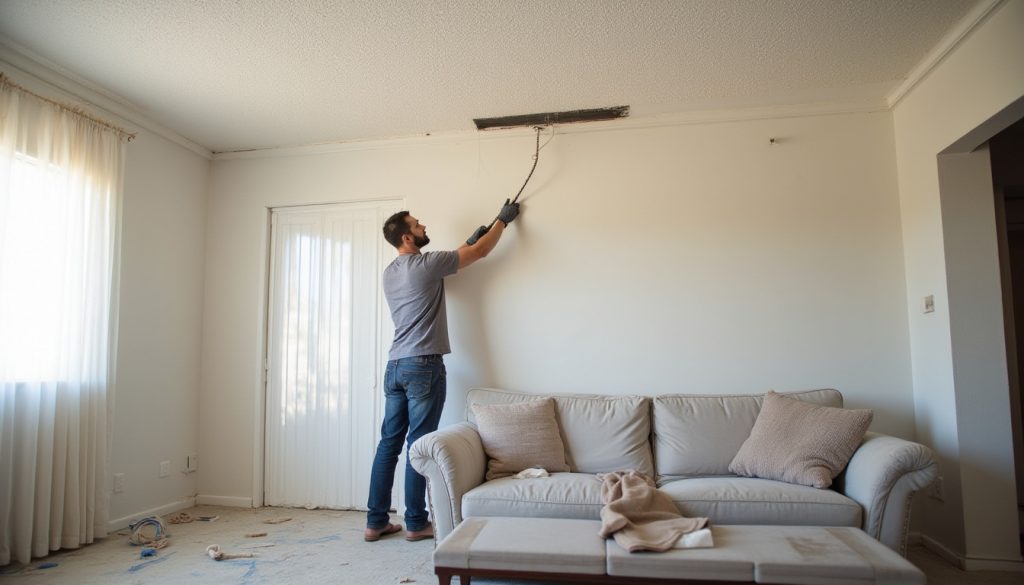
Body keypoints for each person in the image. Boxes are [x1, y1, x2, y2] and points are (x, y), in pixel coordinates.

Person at [364, 199, 521, 542]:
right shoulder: (427, 265)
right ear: (407, 238)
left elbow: (465, 251)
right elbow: (479, 253)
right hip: (423, 365)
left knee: (389, 444)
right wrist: (502, 222)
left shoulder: (391, 272)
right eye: (418, 225)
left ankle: (375, 521)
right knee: (419, 444)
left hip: (396, 365)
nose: (424, 228)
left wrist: (469, 240)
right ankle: (417, 523)